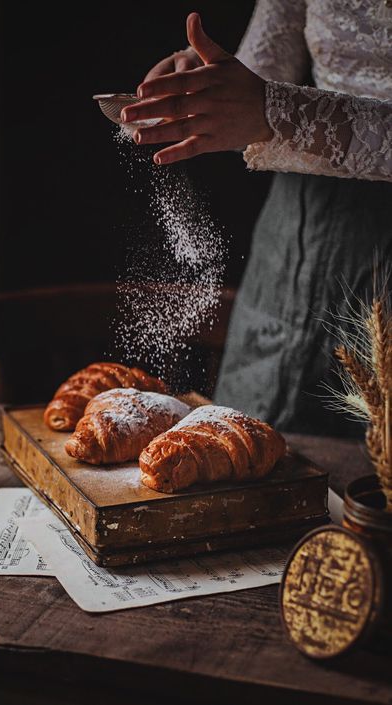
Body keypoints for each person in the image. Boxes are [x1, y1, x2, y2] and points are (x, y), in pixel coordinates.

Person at [121, 5, 392, 436]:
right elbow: (265, 72)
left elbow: (273, 107)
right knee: (244, 446)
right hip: (297, 231)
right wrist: (209, 87)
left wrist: (279, 112)